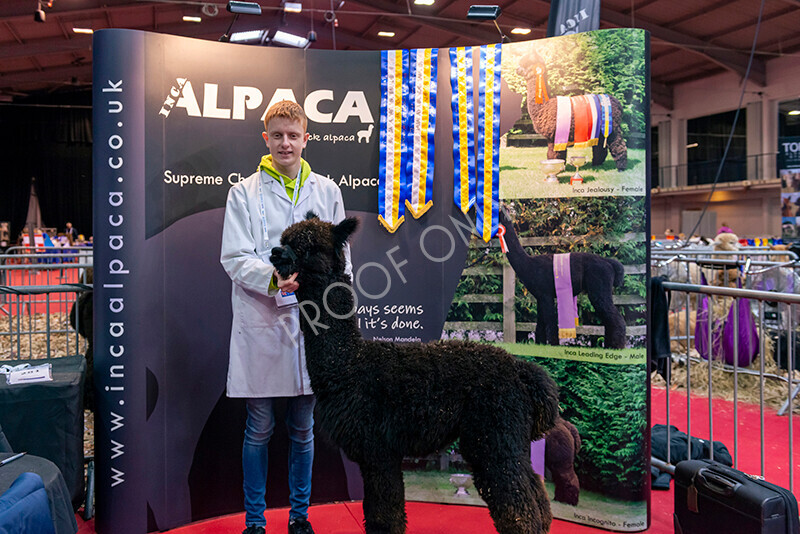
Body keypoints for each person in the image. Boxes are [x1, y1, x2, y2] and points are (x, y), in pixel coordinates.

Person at [220, 100, 351, 534]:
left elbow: (341, 263)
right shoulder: (243, 193)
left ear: (305, 138)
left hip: (312, 329)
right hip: (262, 324)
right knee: (258, 428)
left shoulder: (327, 192)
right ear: (266, 139)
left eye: (293, 135)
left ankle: (299, 518)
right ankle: (255, 523)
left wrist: (335, 306)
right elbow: (234, 258)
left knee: (303, 428)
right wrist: (274, 279)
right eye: (277, 135)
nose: (285, 143)